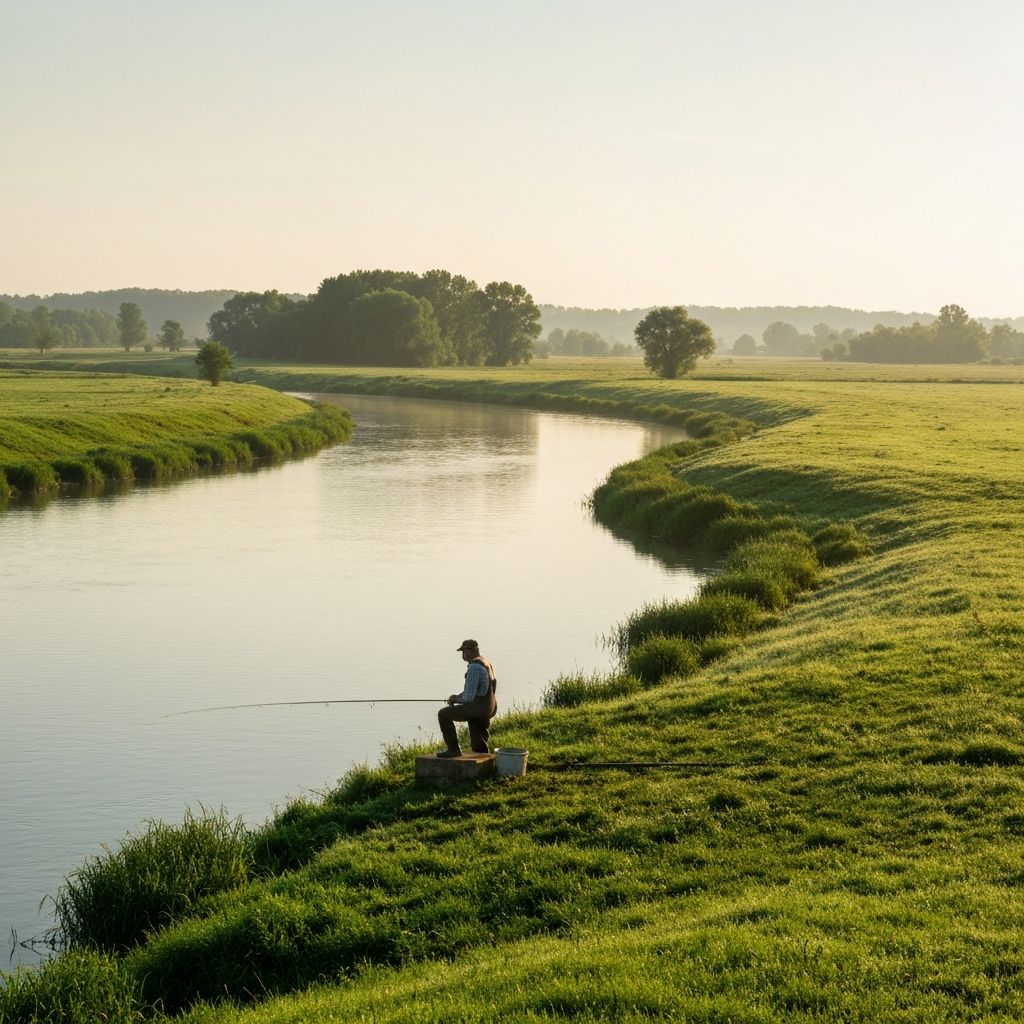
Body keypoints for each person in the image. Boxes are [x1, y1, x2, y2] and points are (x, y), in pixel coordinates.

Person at [436, 639, 497, 757]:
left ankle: (453, 750)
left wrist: (455, 700)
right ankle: (482, 755)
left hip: (478, 708)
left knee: (443, 714)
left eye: (464, 651)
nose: (463, 655)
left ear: (471, 651)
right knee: (476, 725)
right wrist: (457, 696)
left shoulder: (474, 667)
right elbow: (477, 690)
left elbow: (469, 697)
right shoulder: (486, 662)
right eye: (463, 652)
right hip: (489, 706)